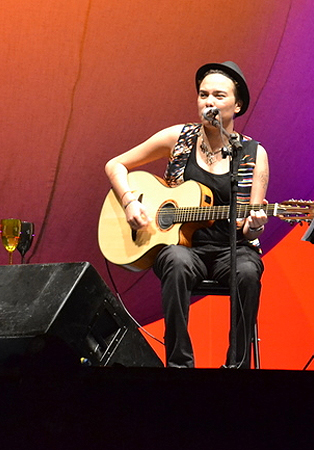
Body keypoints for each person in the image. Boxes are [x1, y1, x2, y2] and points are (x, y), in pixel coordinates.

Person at [104, 61, 269, 368]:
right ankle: (180, 368)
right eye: (203, 94)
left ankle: (237, 368)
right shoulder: (178, 138)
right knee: (176, 262)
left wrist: (255, 226)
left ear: (238, 104)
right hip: (184, 247)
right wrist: (130, 202)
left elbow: (250, 227)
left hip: (230, 249)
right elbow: (116, 165)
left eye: (219, 95)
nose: (209, 102)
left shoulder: (253, 154)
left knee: (247, 271)